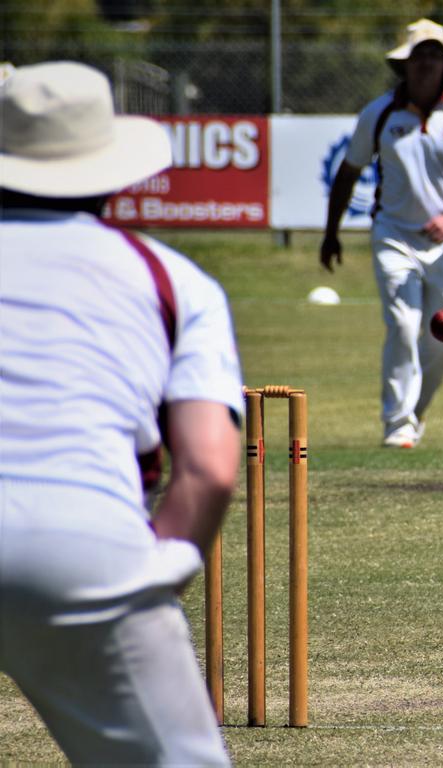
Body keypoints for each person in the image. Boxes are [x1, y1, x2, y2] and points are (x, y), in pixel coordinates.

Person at [0, 61, 243, 763]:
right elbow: (210, 470)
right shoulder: (172, 278)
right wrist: (157, 568)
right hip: (84, 545)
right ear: (111, 171)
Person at [320, 18, 443, 449]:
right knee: (403, 326)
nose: (426, 63)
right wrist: (331, 233)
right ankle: (397, 422)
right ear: (404, 64)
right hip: (393, 234)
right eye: (419, 55)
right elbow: (348, 174)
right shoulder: (379, 112)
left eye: (434, 55)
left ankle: (416, 411)